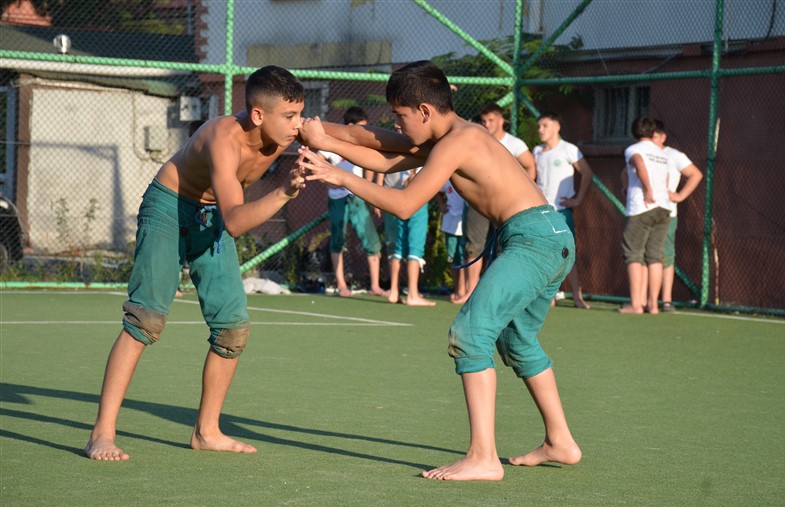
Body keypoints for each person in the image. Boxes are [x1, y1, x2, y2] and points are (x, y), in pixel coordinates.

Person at [298, 60, 581, 481]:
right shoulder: (459, 133)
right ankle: (560, 440)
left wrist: (340, 175)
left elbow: (405, 203)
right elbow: (377, 143)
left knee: (470, 333)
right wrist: (322, 135)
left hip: (532, 241)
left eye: (400, 115)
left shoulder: (455, 144)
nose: (397, 123)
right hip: (551, 236)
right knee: (517, 340)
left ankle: (483, 458)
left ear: (425, 112)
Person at [84, 65, 307, 461]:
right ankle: (101, 433)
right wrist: (284, 193)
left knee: (232, 330)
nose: (298, 125)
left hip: (211, 215)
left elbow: (358, 139)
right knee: (146, 319)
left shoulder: (288, 129)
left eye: (300, 114)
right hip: (169, 206)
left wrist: (426, 148)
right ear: (258, 115)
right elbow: (236, 221)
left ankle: (206, 432)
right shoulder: (223, 138)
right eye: (290, 116)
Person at [452, 103, 538, 305]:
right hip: (478, 202)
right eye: (484, 120)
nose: (487, 124)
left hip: (506, 206)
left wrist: (521, 192)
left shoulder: (515, 144)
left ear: (501, 120)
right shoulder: (476, 139)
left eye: (491, 120)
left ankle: (501, 295)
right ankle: (470, 292)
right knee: (473, 247)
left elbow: (530, 165)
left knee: (505, 248)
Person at [318, 106, 388, 297]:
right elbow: (317, 161)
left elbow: (373, 163)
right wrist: (330, 182)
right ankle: (341, 285)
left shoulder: (361, 145)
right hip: (337, 199)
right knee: (337, 240)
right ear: (350, 126)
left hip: (357, 197)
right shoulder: (331, 143)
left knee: (371, 239)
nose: (364, 131)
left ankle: (375, 286)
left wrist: (368, 185)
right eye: (361, 127)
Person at [532, 112, 593, 309]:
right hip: (541, 212)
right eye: (539, 126)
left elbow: (586, 173)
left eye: (545, 125)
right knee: (543, 254)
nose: (540, 129)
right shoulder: (537, 151)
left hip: (562, 212)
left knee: (567, 254)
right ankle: (547, 297)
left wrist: (578, 199)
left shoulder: (569, 149)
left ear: (556, 127)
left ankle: (577, 297)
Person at [619, 116, 672, 315]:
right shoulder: (662, 153)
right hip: (663, 207)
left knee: (633, 253)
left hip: (641, 206)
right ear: (653, 133)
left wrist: (648, 190)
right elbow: (666, 177)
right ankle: (653, 304)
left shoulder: (634, 149)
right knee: (655, 255)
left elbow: (639, 163)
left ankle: (636, 304)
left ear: (634, 133)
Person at [652, 121, 703, 311]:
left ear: (663, 137)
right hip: (643, 213)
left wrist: (679, 196)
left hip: (667, 214)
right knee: (642, 256)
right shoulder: (641, 152)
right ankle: (645, 300)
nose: (651, 140)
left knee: (665, 255)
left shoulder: (673, 155)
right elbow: (626, 174)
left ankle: (666, 300)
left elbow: (695, 174)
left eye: (655, 136)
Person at [386, 167, 436, 306]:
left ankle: (394, 291)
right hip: (417, 201)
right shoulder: (422, 157)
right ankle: (413, 294)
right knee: (415, 247)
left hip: (401, 200)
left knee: (399, 246)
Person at [437, 178, 467, 302]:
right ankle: (457, 290)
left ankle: (463, 291)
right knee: (453, 258)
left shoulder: (466, 180)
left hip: (464, 224)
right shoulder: (446, 179)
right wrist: (442, 205)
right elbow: (437, 190)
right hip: (449, 224)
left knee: (463, 258)